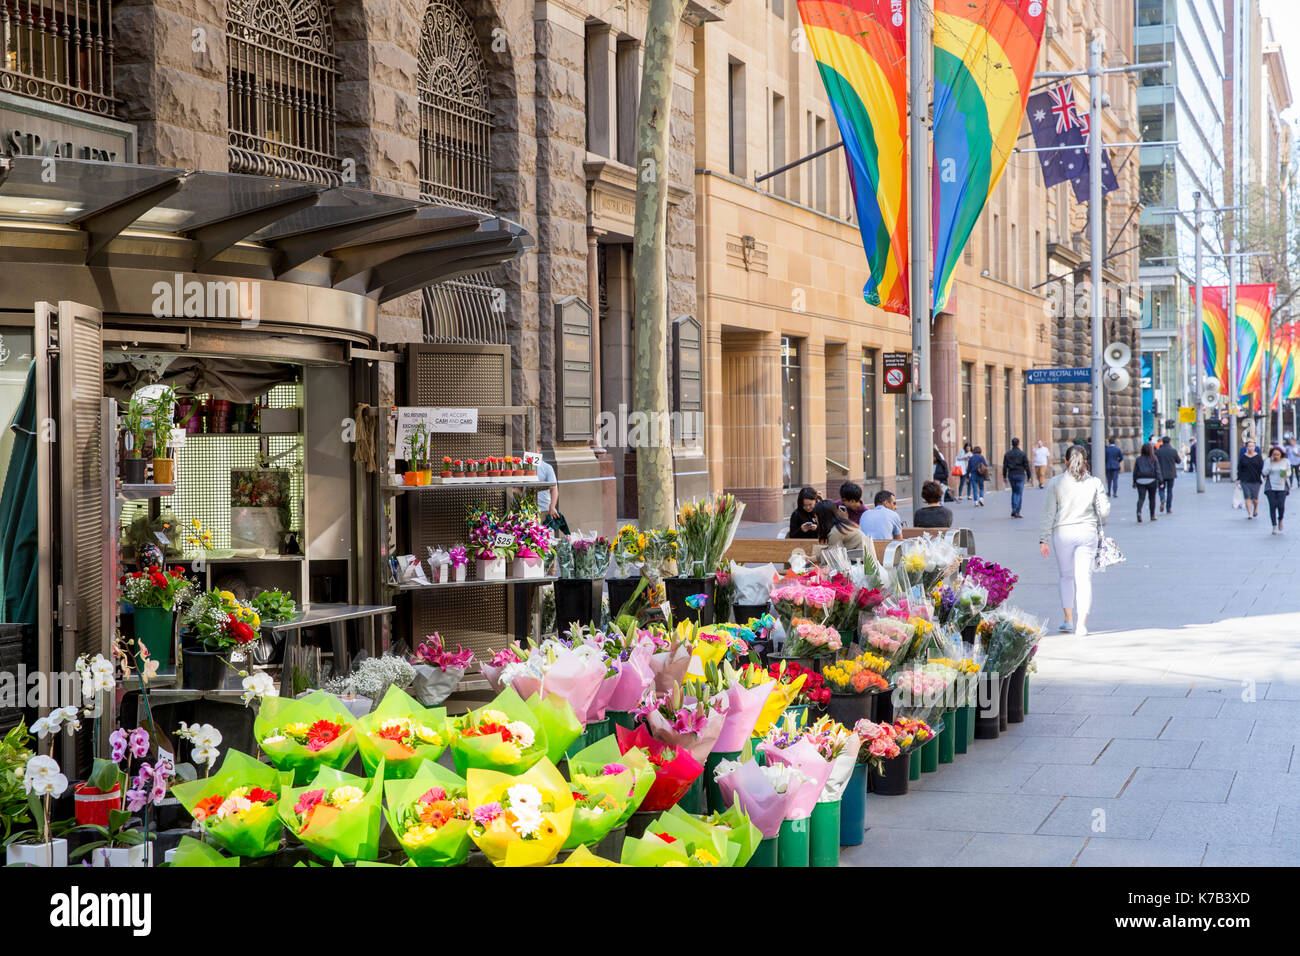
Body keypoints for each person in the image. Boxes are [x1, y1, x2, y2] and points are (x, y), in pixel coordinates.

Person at [1039, 444, 1110, 637]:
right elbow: (1104, 512)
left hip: (1062, 533)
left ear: (1065, 461)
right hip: (1087, 532)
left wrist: (1043, 539)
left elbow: (1048, 513)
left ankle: (1068, 620)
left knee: (1066, 577)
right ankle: (1082, 624)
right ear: (1085, 461)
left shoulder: (1056, 482)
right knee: (1084, 578)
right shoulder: (1095, 483)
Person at [533, 451, 568, 534]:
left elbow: (554, 489)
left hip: (544, 510)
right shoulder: (523, 467)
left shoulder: (547, 467)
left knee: (546, 540)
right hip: (527, 512)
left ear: (539, 450)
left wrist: (552, 507)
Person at [1263, 446, 1290, 533]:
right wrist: (1271, 464)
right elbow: (1264, 472)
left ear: (1281, 454)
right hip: (1271, 486)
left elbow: (1289, 472)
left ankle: (1280, 519)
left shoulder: (1285, 461)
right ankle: (1274, 525)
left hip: (1282, 486)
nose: (1276, 456)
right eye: (1274, 454)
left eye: (1278, 454)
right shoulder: (1268, 461)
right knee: (1273, 505)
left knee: (1281, 506)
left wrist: (1286, 473)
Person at [1001, 437, 1029, 518]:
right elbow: (1026, 465)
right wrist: (1029, 475)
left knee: (1014, 492)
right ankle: (1017, 511)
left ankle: (1013, 507)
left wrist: (1004, 476)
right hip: (1020, 474)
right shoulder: (1022, 454)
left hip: (1011, 474)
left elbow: (1005, 466)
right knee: (1019, 493)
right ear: (1018, 444)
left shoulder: (1007, 454)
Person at [1132, 442, 1159, 523]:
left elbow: (1135, 472)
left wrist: (1134, 482)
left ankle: (1139, 512)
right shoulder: (1154, 458)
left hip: (1140, 480)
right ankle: (1152, 515)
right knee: (1152, 498)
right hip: (1152, 480)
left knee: (1141, 498)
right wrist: (1160, 481)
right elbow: (1157, 470)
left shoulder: (1138, 459)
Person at [1154, 436, 1181, 515]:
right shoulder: (1173, 451)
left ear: (1162, 442)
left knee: (1161, 489)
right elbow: (1178, 461)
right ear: (1169, 442)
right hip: (1171, 474)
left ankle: (1162, 499)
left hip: (1161, 474)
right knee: (1170, 491)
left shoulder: (1158, 451)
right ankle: (1168, 508)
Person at [1238, 440, 1263, 519]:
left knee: (1255, 499)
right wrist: (1238, 479)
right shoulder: (1243, 457)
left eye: (1252, 446)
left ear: (1255, 447)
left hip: (1256, 480)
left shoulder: (1258, 457)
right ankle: (1250, 514)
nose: (1251, 448)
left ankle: (1255, 509)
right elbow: (1240, 468)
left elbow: (1261, 468)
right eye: (1249, 446)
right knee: (1247, 497)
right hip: (1245, 480)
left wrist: (1264, 476)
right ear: (1246, 447)